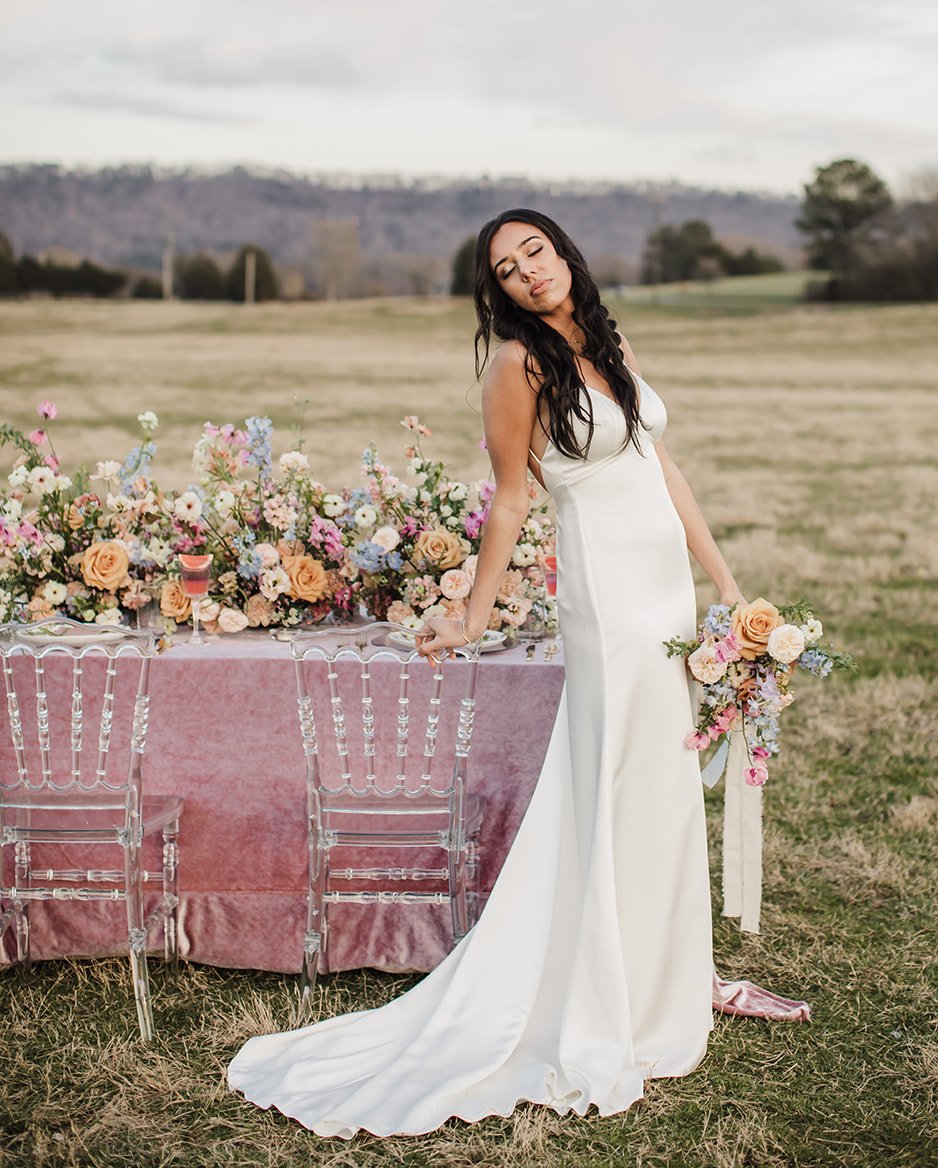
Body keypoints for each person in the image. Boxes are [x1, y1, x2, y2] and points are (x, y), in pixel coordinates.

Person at [228, 209, 809, 1139]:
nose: (527, 273)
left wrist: (730, 590)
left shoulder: (601, 339)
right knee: (619, 780)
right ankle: (617, 989)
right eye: (506, 269)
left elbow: (665, 474)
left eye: (534, 251)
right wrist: (470, 612)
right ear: (496, 292)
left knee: (659, 787)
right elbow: (509, 497)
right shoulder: (517, 363)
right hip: (610, 601)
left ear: (563, 252)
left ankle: (675, 976)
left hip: (663, 596)